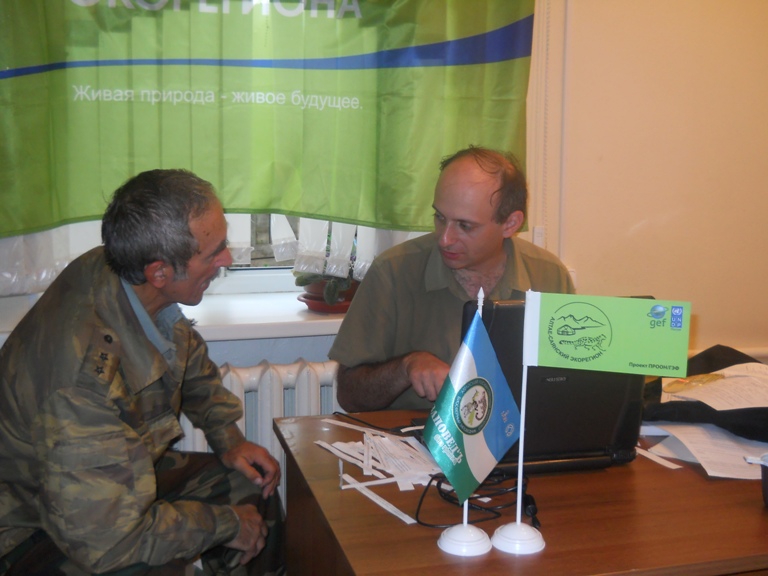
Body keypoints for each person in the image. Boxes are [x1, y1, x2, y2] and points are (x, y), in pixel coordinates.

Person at [0, 170, 284, 575]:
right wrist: (225, 526)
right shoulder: (81, 387)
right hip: (32, 528)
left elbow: (184, 354)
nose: (227, 259)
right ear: (160, 273)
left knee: (249, 486)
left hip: (98, 484)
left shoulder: (122, 273)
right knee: (161, 565)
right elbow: (107, 542)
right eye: (214, 252)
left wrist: (228, 437)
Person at [330, 146, 575, 412]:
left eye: (465, 226)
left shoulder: (549, 276)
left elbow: (570, 389)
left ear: (510, 224)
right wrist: (406, 367)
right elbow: (349, 395)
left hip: (518, 435)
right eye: (440, 217)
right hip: (415, 433)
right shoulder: (393, 272)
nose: (445, 239)